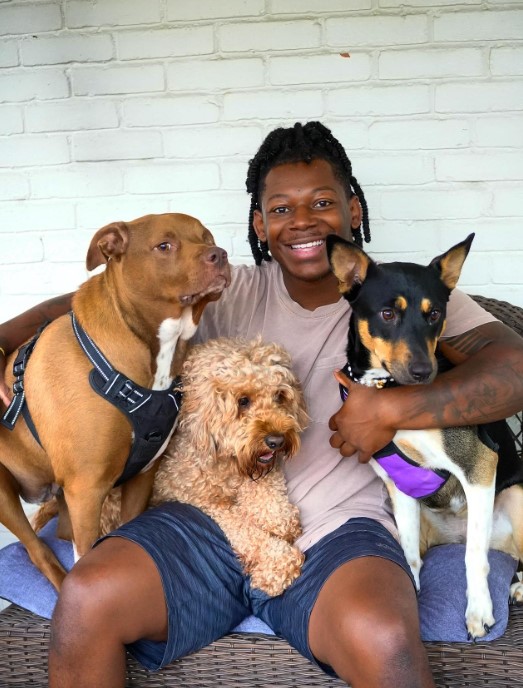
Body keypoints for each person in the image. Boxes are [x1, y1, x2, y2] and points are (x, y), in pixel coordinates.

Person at [1, 122, 522, 688]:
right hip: (208, 523)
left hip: (342, 532)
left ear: (354, 209)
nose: (301, 221)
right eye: (281, 208)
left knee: (386, 639)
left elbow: (514, 368)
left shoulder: (412, 292)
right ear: (260, 224)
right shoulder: (223, 290)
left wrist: (393, 411)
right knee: (87, 597)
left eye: (322, 202)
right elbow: (91, 299)